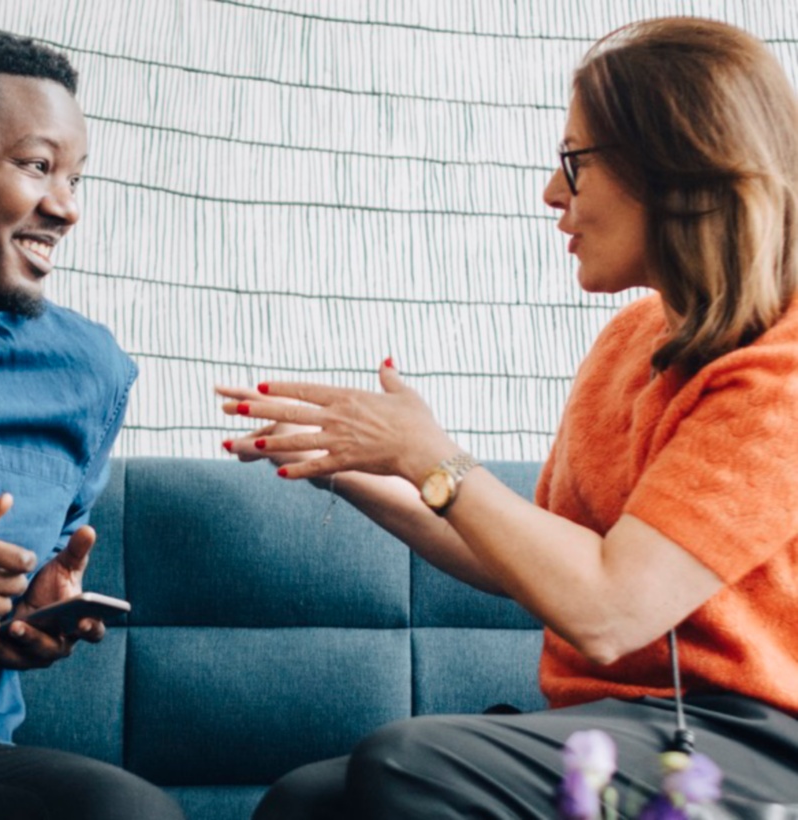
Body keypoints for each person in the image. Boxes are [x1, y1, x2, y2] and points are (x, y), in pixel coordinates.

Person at [220, 16, 798, 819]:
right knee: (308, 801)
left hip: (757, 744)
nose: (553, 193)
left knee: (405, 763)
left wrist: (429, 456)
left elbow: (608, 610)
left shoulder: (782, 369)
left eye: (575, 163)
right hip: (617, 727)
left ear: (675, 164)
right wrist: (354, 465)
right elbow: (532, 564)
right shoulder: (631, 338)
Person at [0, 28, 184, 820]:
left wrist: (36, 612)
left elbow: (46, 560)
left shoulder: (87, 372)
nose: (65, 207)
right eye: (37, 166)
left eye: (74, 176)